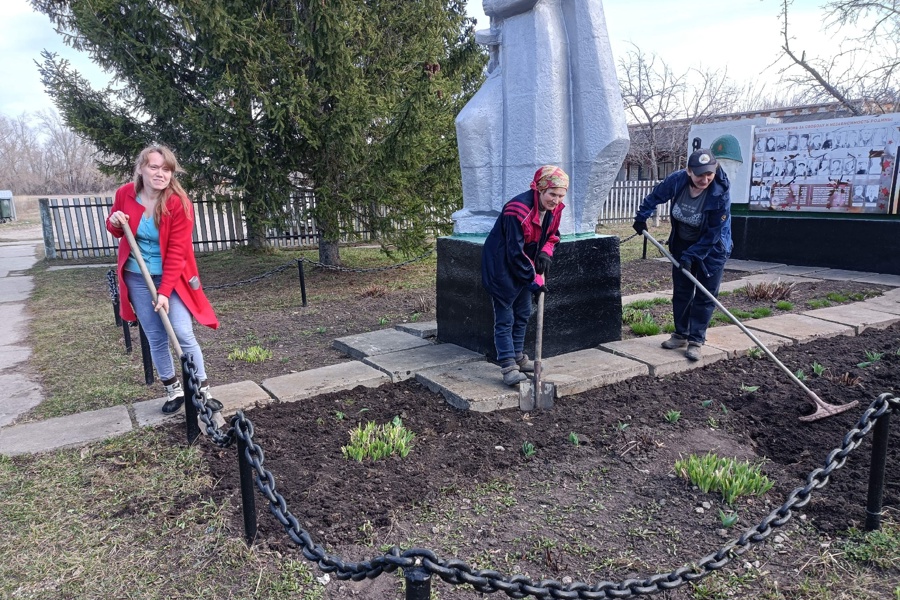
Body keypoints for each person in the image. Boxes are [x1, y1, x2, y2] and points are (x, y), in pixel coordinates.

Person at [106, 145, 223, 414]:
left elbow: (178, 252)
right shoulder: (125, 194)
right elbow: (116, 230)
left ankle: (202, 390)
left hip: (173, 276)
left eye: (166, 169)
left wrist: (164, 291)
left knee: (182, 331)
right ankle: (173, 389)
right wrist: (114, 220)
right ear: (141, 169)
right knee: (155, 335)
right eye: (154, 167)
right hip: (137, 276)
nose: (161, 174)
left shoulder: (178, 202)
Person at [632, 149, 732, 362]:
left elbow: (714, 232)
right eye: (699, 175)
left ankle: (696, 340)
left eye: (709, 174)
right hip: (682, 242)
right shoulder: (677, 181)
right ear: (689, 171)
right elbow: (655, 196)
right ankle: (681, 334)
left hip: (712, 249)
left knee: (705, 295)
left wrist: (694, 255)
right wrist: (642, 217)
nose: (705, 179)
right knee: (682, 291)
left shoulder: (719, 193)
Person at [481, 165, 568, 385]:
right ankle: (508, 366)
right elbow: (513, 253)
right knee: (505, 318)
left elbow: (552, 236)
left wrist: (546, 253)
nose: (556, 200)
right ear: (539, 189)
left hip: (524, 263)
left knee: (523, 312)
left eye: (560, 195)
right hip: (501, 265)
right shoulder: (516, 210)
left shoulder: (555, 209)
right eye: (552, 194)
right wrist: (534, 279)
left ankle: (518, 356)